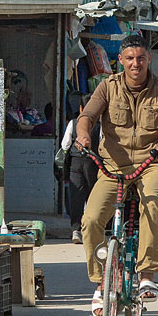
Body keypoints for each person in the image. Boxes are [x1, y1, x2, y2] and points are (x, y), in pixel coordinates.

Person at [77, 34, 158, 313]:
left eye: (140, 58)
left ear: (149, 59)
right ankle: (101, 281)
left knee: (151, 203)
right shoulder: (107, 87)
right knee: (91, 219)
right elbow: (87, 117)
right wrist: (83, 136)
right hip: (112, 167)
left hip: (153, 163)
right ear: (121, 61)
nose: (135, 63)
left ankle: (148, 276)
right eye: (130, 58)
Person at [61, 95, 98, 244]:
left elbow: (65, 145)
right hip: (93, 164)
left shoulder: (73, 123)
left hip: (75, 163)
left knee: (76, 196)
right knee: (93, 197)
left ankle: (76, 230)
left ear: (81, 108)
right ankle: (90, 230)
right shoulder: (100, 125)